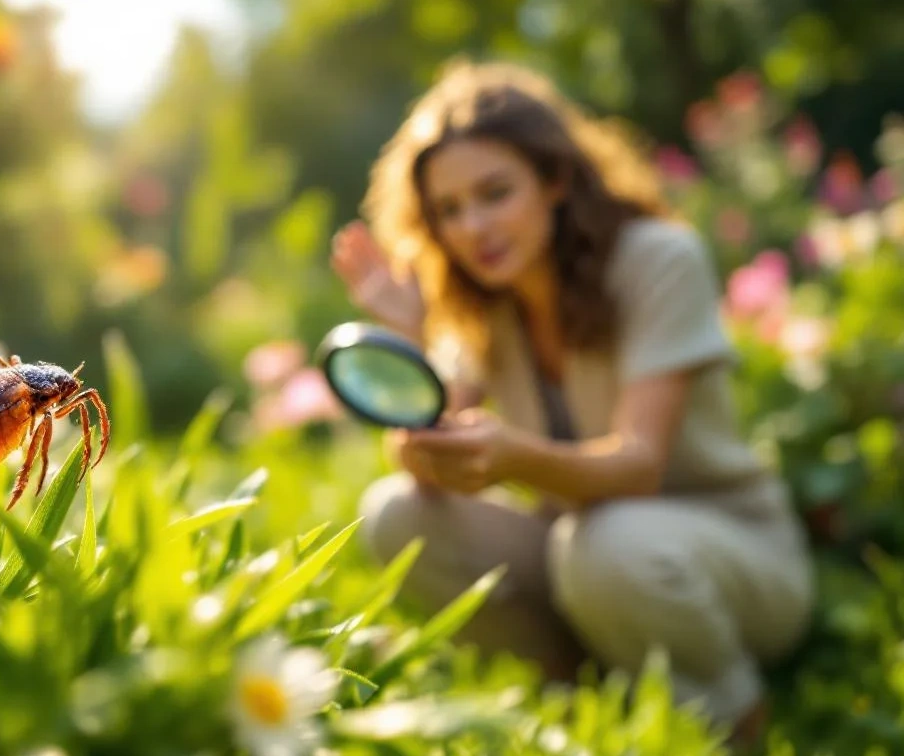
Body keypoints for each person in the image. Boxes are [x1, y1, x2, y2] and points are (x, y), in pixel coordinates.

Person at [330, 58, 815, 745]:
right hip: (589, 563)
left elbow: (639, 468)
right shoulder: (484, 304)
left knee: (606, 543)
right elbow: (422, 463)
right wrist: (407, 339)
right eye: (449, 210)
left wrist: (516, 458)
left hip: (728, 565)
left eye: (494, 193)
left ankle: (734, 721)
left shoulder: (657, 259)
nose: (472, 227)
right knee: (395, 517)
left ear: (555, 179)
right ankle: (579, 690)